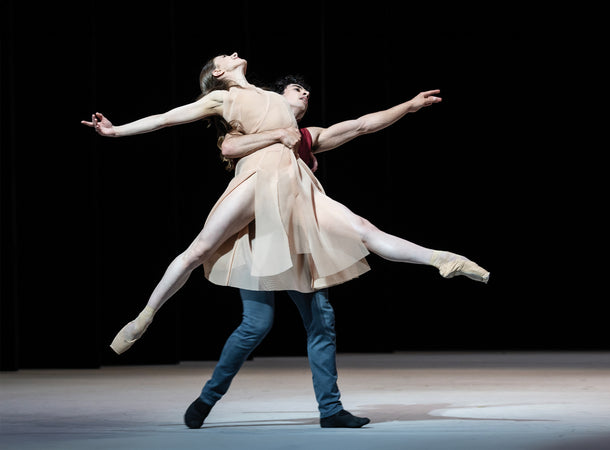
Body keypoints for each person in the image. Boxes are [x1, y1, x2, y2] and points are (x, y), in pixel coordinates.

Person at [81, 52, 489, 358]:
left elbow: (364, 124)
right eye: (226, 55)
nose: (234, 52)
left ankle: (440, 258)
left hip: (298, 186)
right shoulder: (225, 101)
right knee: (200, 249)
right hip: (259, 178)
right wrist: (117, 132)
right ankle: (146, 315)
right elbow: (169, 118)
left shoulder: (291, 118)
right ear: (219, 73)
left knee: (365, 228)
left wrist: (409, 106)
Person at [186, 75, 442, 429]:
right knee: (256, 325)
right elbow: (228, 148)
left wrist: (408, 106)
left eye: (306, 90)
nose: (305, 93)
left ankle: (331, 410)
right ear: (274, 100)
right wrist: (275, 136)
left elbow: (362, 125)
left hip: (298, 242)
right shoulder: (246, 131)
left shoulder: (308, 138)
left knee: (322, 321)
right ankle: (207, 397)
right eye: (296, 89)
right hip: (259, 240)